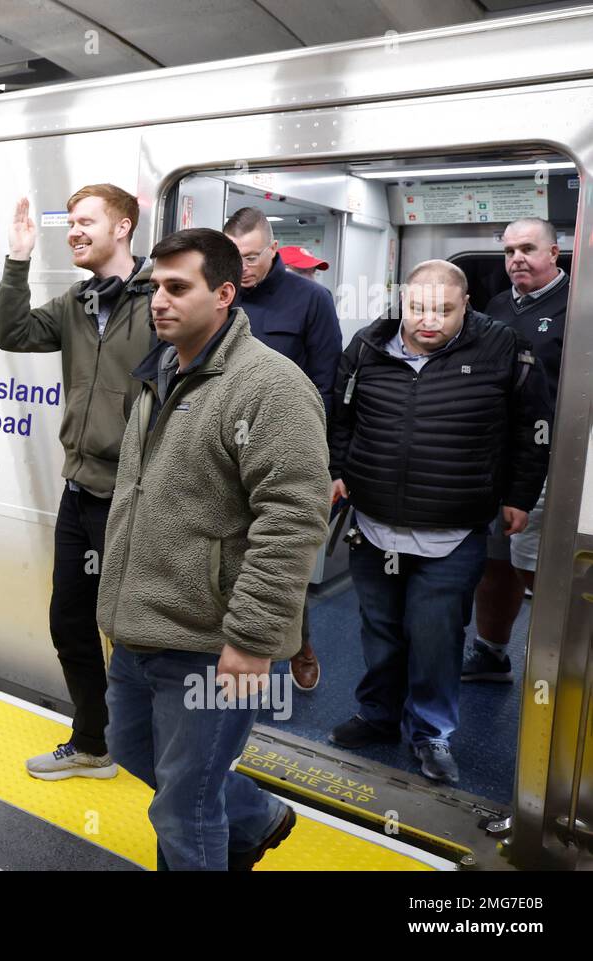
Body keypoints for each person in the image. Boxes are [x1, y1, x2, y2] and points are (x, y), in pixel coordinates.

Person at [97, 228, 331, 870]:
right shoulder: (161, 371)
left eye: (178, 288)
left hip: (209, 639)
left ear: (225, 294)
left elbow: (292, 519)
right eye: (155, 287)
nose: (159, 302)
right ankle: (257, 815)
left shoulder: (269, 388)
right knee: (136, 752)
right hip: (141, 628)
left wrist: (253, 638)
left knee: (182, 808)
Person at [327, 260, 549, 784]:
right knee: (380, 630)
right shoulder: (367, 347)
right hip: (374, 522)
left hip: (453, 527)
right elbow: (339, 416)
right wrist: (337, 469)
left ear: (465, 304)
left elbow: (530, 427)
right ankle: (379, 715)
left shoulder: (504, 349)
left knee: (434, 634)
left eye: (443, 310)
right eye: (418, 307)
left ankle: (430, 732)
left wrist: (519, 494)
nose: (428, 320)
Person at [0, 184, 154, 780]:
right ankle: (93, 744)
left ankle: (156, 753)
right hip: (80, 490)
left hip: (135, 498)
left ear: (124, 227)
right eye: (71, 224)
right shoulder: (78, 303)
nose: (76, 232)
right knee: (70, 622)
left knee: (136, 633)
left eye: (88, 222)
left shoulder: (158, 298)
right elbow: (11, 332)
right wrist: (18, 257)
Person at [224, 207, 343, 692]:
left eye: (251, 257)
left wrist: (325, 463)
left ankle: (299, 642)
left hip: (284, 449)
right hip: (223, 446)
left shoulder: (311, 300)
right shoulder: (223, 296)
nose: (243, 268)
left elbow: (327, 384)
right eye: (234, 259)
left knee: (279, 550)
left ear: (273, 249)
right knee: (227, 551)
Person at [467, 218, 567, 682]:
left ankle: (564, 670)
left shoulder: (579, 305)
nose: (516, 259)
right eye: (509, 252)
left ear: (554, 253)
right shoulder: (497, 305)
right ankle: (492, 653)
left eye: (527, 249)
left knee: (534, 566)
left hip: (551, 459)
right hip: (496, 458)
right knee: (496, 560)